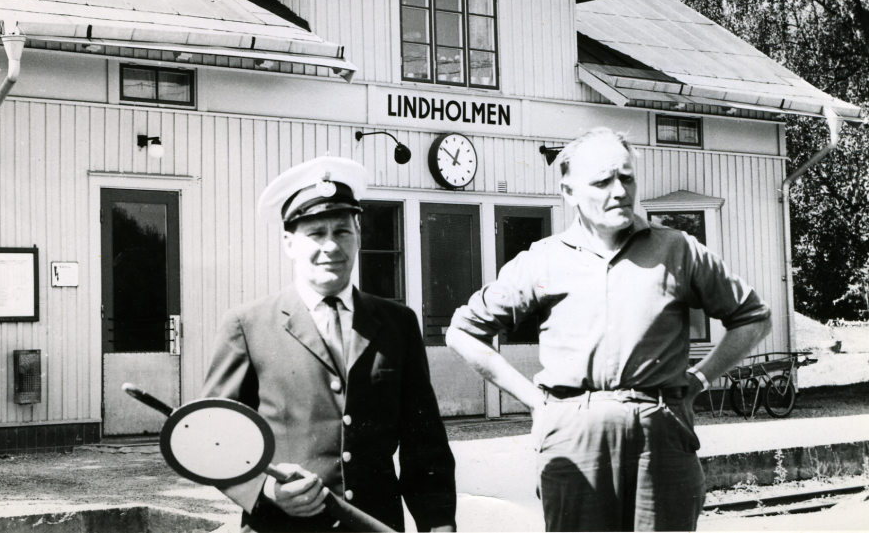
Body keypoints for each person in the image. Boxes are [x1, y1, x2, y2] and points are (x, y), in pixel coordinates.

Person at [446, 128, 771, 532]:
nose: (619, 191)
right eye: (602, 181)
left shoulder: (678, 249)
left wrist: (702, 377)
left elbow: (754, 316)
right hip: (573, 436)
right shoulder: (542, 261)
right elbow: (463, 332)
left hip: (662, 433)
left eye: (627, 177)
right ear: (569, 192)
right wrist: (534, 401)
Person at [200, 156, 457, 533]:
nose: (331, 246)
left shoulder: (397, 323)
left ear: (359, 237)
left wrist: (438, 524)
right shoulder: (248, 325)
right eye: (316, 233)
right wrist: (266, 488)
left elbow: (426, 444)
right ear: (289, 243)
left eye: (343, 231)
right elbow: (213, 438)